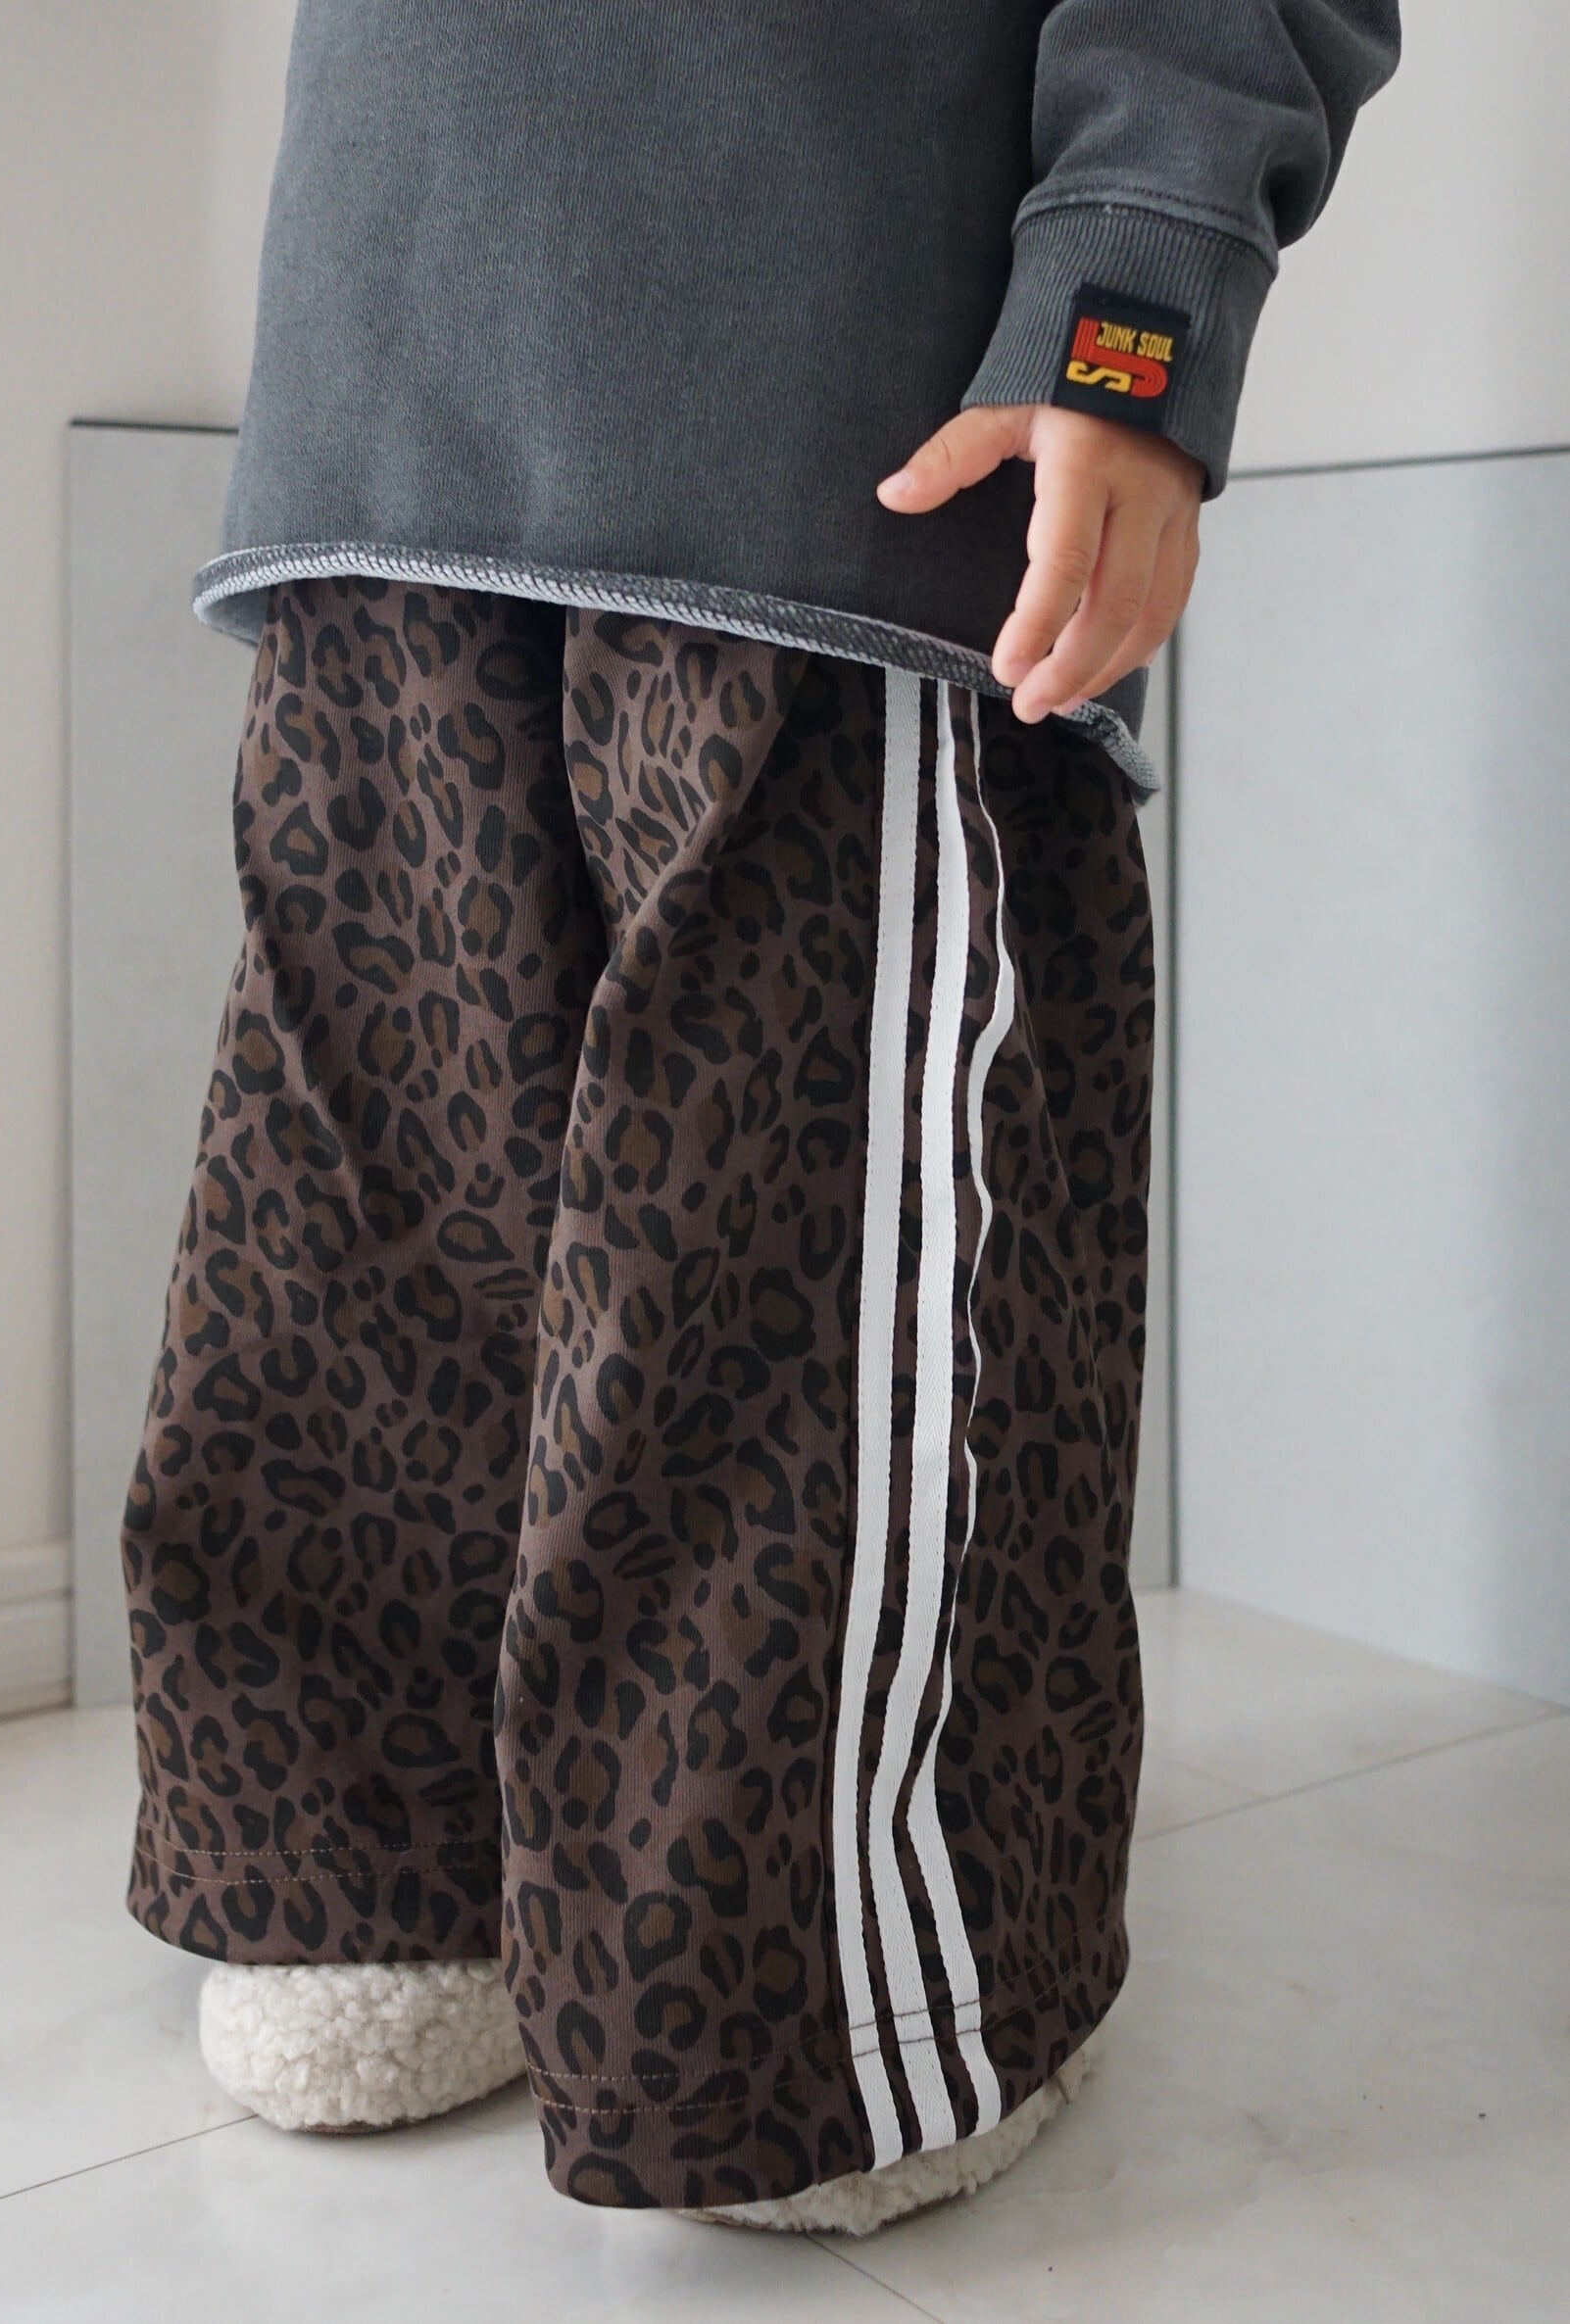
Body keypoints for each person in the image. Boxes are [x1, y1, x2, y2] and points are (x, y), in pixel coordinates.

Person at [120, 0, 1399, 2232]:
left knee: (804, 1258)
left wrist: (1128, 331)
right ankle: (374, 1878)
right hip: (379, 375)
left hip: (838, 414)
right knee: (362, 1214)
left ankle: (814, 2003)